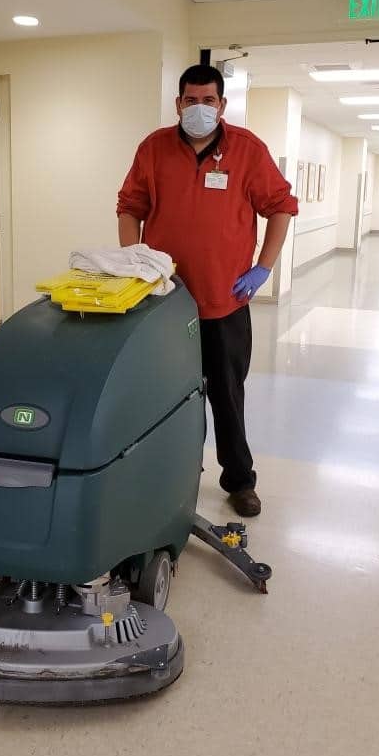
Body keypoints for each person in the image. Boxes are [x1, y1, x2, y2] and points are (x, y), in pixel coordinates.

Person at [117, 64, 298, 517]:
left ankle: (239, 481)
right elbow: (129, 207)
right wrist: (136, 261)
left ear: (222, 105)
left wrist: (263, 268)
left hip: (224, 302)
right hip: (165, 304)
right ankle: (174, 476)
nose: (199, 109)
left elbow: (281, 207)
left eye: (208, 100)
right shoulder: (154, 149)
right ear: (178, 103)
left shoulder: (247, 150)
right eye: (190, 100)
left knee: (226, 394)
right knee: (169, 397)